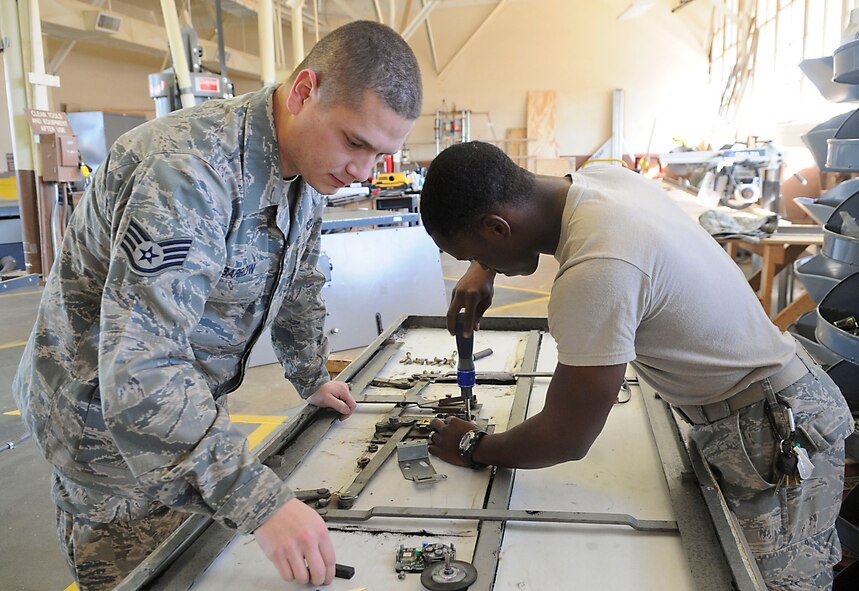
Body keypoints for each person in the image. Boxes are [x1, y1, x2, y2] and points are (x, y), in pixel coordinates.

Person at [13, 21, 421, 590]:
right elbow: (142, 366)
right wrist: (260, 502)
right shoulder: (187, 174)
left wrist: (310, 376)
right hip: (106, 438)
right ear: (304, 92)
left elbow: (298, 278)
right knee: (146, 574)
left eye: (380, 154)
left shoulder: (306, 167)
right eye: (355, 142)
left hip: (183, 412)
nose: (362, 170)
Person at [420, 141, 853, 590]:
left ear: (496, 227)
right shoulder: (605, 180)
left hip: (772, 432)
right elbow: (501, 226)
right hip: (774, 399)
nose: (478, 265)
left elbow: (566, 437)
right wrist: (483, 267)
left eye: (473, 253)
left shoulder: (595, 271)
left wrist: (473, 447)